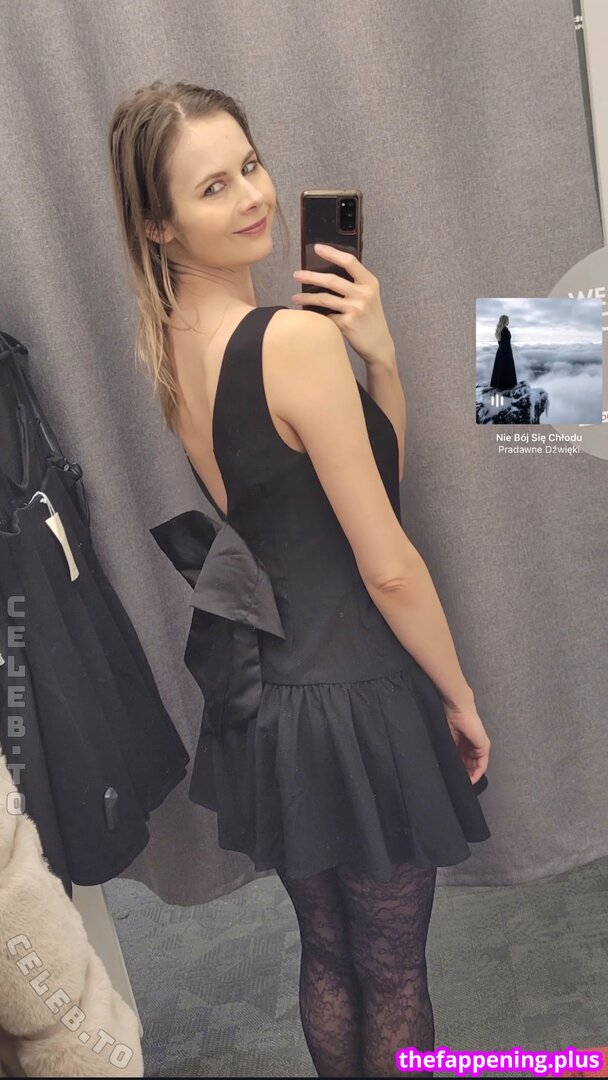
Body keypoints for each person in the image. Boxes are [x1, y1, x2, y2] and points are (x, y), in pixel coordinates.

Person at [107, 81, 492, 1079]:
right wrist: (456, 695)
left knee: (327, 953)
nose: (251, 196)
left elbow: (352, 496)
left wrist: (382, 363)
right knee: (392, 970)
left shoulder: (170, 343)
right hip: (355, 695)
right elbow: (386, 562)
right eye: (212, 186)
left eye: (250, 165)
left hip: (266, 703)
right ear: (157, 224)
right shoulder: (291, 339)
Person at [490, 314, 518, 390]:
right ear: (505, 321)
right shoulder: (505, 330)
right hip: (506, 351)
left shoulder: (500, 330)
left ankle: (499, 384)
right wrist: (509, 353)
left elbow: (500, 342)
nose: (508, 322)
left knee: (500, 367)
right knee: (506, 367)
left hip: (501, 351)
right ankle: (507, 385)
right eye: (507, 320)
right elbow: (506, 343)